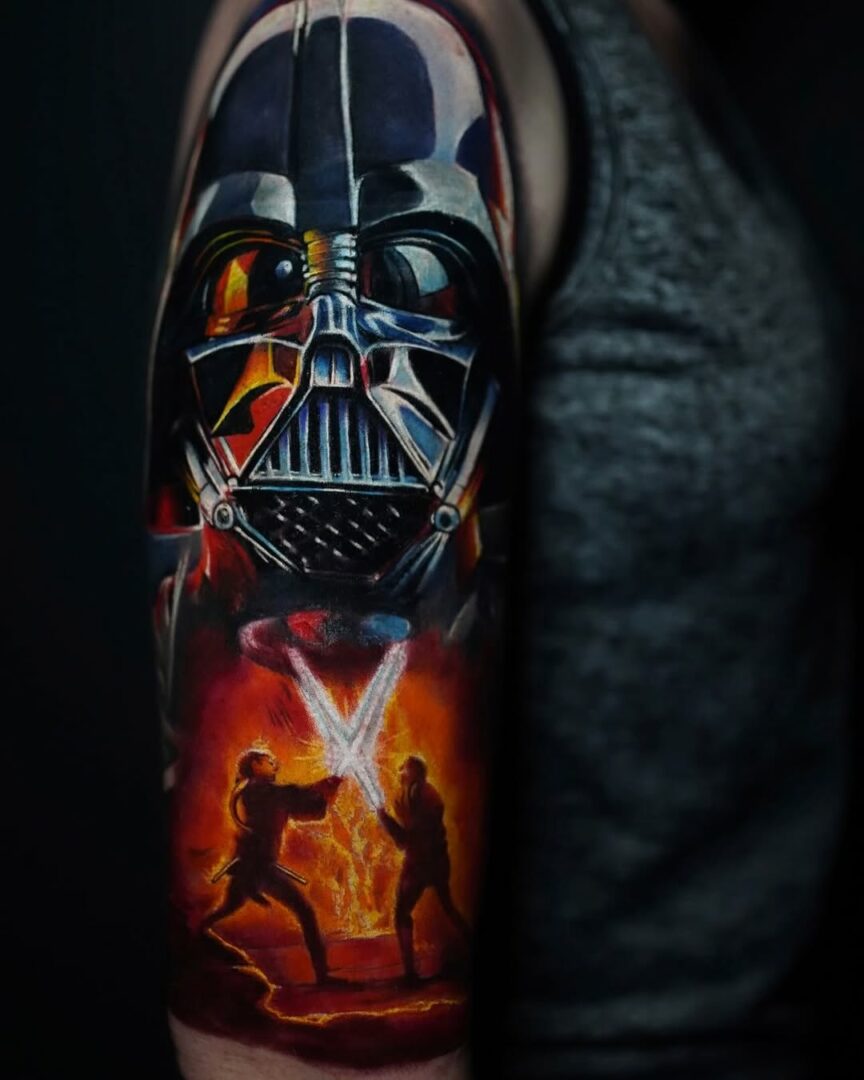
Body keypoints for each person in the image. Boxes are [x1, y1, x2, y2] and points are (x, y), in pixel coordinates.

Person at [203, 749, 342, 986]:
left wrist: (325, 797)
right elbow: (290, 795)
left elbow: (308, 811)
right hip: (259, 868)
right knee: (305, 911)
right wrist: (319, 788)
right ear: (255, 765)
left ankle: (196, 930)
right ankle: (323, 976)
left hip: (252, 867)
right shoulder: (254, 791)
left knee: (228, 907)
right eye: (268, 760)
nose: (274, 762)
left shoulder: (267, 793)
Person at [378, 756, 470, 984]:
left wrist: (385, 820)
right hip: (431, 860)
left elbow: (405, 839)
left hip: (422, 862)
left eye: (405, 770)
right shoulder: (418, 794)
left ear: (415, 774)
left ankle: (410, 974)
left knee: (403, 912)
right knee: (447, 906)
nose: (400, 773)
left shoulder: (425, 798)